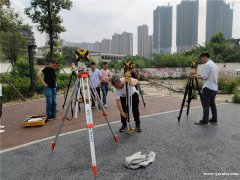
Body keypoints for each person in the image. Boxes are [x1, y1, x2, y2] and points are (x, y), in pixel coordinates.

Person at [191, 52, 218, 126]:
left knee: (205, 105)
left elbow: (204, 77)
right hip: (214, 88)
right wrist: (198, 75)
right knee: (212, 104)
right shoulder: (214, 64)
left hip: (208, 88)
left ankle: (204, 121)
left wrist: (195, 76)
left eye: (201, 59)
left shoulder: (207, 65)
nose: (201, 61)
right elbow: (208, 76)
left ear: (204, 57)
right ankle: (214, 119)